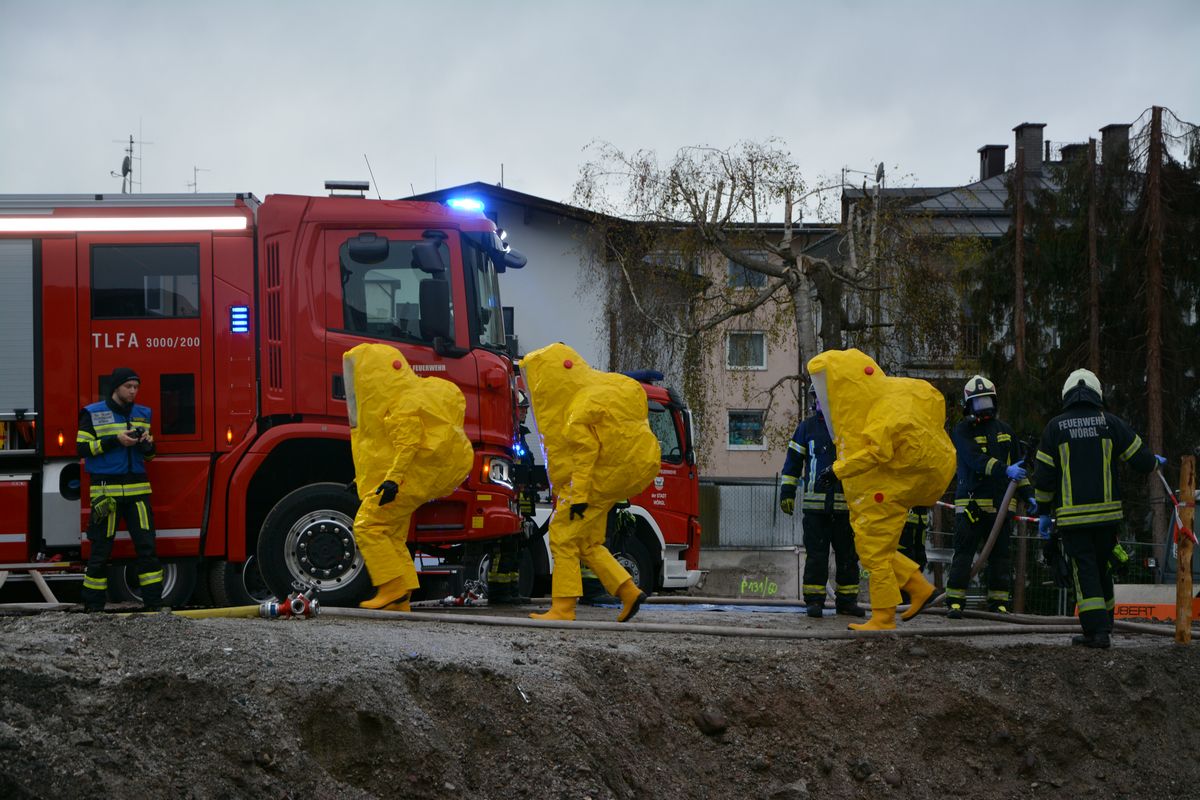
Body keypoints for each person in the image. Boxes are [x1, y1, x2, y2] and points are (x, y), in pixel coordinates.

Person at [806, 349, 956, 631]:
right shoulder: (886, 397)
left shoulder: (879, 411)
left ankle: (884, 616)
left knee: (875, 553)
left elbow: (875, 453)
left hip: (883, 488)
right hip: (891, 485)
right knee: (878, 551)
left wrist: (836, 470)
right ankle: (919, 588)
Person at [523, 342, 660, 623]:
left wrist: (579, 496)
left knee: (562, 536)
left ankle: (562, 608)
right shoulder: (592, 394)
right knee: (588, 543)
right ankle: (628, 591)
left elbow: (585, 453)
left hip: (594, 483)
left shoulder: (577, 408)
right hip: (611, 479)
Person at [1032, 368, 1160, 649]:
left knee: (1084, 571)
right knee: (1102, 569)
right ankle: (1107, 622)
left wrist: (1043, 511)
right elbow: (1140, 459)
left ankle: (1096, 633)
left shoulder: (1055, 428)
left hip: (1073, 521)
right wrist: (1154, 462)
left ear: (1067, 394)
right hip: (1107, 519)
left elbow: (1044, 477)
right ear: (1096, 394)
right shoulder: (1109, 423)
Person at [343, 343, 473, 611]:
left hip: (403, 482)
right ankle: (401, 598)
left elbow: (408, 446)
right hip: (411, 481)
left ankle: (391, 586)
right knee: (391, 534)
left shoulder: (399, 404)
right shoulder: (405, 399)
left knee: (368, 526)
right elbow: (387, 449)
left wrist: (391, 481)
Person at [944, 376, 1036, 618]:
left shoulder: (1006, 431)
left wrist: (1030, 496)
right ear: (968, 405)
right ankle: (954, 601)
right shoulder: (963, 430)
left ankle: (998, 604)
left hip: (1001, 508)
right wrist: (1005, 470)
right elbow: (975, 460)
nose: (983, 407)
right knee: (964, 554)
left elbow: (1020, 470)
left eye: (987, 401)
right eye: (978, 402)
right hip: (971, 507)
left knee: (1001, 558)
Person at [77, 367, 163, 612]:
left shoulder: (143, 414)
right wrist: (116, 440)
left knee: (147, 548)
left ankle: (155, 607)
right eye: (129, 387)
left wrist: (147, 445)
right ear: (116, 387)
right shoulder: (93, 413)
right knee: (100, 552)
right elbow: (82, 448)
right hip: (106, 493)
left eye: (136, 387)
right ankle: (93, 609)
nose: (133, 391)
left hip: (138, 492)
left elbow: (151, 456)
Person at [779, 387, 864, 618]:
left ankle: (847, 601)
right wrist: (787, 491)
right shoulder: (807, 428)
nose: (820, 403)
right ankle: (814, 601)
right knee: (817, 556)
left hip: (845, 508)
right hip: (815, 509)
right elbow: (793, 462)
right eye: (817, 399)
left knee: (848, 556)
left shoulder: (847, 428)